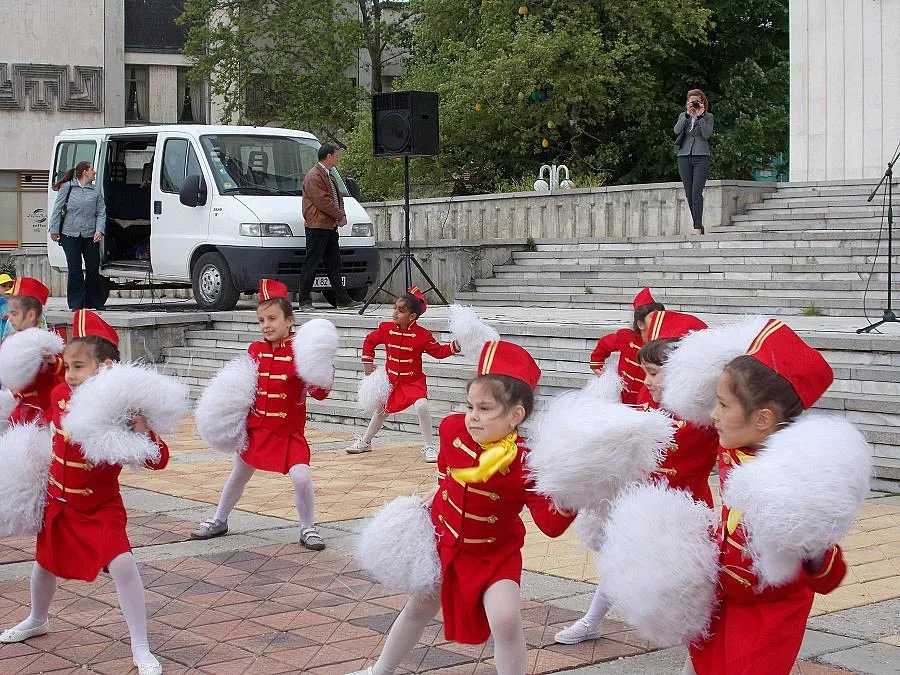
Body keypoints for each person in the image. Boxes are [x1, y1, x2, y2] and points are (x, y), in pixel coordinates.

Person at [349, 340, 575, 675]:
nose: (473, 417)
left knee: (506, 619)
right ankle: (380, 669)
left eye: (485, 409)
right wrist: (440, 485)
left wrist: (572, 493)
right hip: (447, 546)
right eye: (470, 406)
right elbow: (446, 470)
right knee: (416, 609)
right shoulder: (451, 428)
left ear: (516, 415)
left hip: (495, 553)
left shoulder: (529, 462)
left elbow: (551, 525)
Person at [0, 311, 168, 675]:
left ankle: (141, 646)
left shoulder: (123, 410)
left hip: (99, 507)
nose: (70, 374)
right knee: (44, 565)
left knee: (123, 565)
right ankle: (37, 618)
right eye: (67, 366)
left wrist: (143, 433)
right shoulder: (60, 391)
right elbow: (36, 390)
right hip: (59, 505)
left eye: (78, 366)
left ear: (105, 368)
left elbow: (159, 460)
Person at [688, 320, 847, 674]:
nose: (713, 415)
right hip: (722, 601)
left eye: (723, 405)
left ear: (762, 419)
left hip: (767, 617)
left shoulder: (802, 475)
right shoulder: (737, 444)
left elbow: (830, 574)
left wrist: (813, 544)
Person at [556, 310, 719, 645]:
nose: (645, 381)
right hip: (641, 499)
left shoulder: (709, 412)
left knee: (691, 576)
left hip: (685, 509)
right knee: (621, 559)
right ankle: (592, 621)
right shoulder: (648, 398)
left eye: (653, 373)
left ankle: (704, 634)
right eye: (645, 372)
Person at [191, 279, 332, 550]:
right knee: (238, 475)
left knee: (301, 477)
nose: (266, 325)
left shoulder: (302, 352)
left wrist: (321, 370)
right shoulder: (255, 350)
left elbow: (319, 393)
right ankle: (219, 519)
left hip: (289, 433)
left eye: (272, 318)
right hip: (257, 430)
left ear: (289, 320)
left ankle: (308, 527)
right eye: (261, 320)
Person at [347, 286, 460, 462]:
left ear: (412, 316)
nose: (395, 313)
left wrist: (456, 345)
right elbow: (370, 340)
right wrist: (367, 362)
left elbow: (439, 351)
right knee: (381, 411)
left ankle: (429, 446)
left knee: (421, 406)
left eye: (401, 311)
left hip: (413, 382)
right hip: (392, 381)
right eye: (395, 308)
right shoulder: (386, 329)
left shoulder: (422, 335)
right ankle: (366, 441)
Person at [297, 144, 362, 312]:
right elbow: (323, 201)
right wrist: (339, 216)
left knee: (334, 263)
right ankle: (304, 300)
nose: (338, 158)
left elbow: (337, 197)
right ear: (328, 156)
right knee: (312, 262)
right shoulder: (314, 176)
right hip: (317, 225)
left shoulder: (329, 175)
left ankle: (342, 299)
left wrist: (341, 214)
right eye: (336, 155)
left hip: (329, 225)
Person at [1, 277, 64, 425]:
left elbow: (64, 377)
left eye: (14, 314)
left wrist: (54, 363)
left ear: (30, 315)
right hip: (19, 408)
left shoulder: (46, 344)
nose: (10, 319)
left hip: (41, 412)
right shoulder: (11, 340)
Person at [588, 288, 665, 405]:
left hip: (646, 401)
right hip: (621, 398)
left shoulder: (661, 345)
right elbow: (604, 343)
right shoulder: (626, 337)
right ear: (640, 324)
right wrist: (596, 363)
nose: (659, 320)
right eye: (653, 317)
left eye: (661, 316)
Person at [49, 161, 107, 310]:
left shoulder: (95, 191)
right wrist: (54, 230)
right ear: (84, 172)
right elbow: (57, 209)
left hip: (89, 235)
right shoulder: (68, 188)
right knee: (74, 269)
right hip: (70, 235)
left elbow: (101, 212)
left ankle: (94, 301)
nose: (94, 172)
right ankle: (76, 303)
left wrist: (99, 230)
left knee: (93, 268)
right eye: (92, 169)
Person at [674, 89, 714, 235]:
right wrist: (687, 115)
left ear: (702, 103)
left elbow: (707, 134)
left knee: (697, 192)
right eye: (691, 101)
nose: (694, 104)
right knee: (689, 193)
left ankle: (697, 228)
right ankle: (698, 225)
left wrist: (701, 116)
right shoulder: (683, 116)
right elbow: (676, 131)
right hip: (684, 156)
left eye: (697, 101)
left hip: (701, 156)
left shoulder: (708, 117)